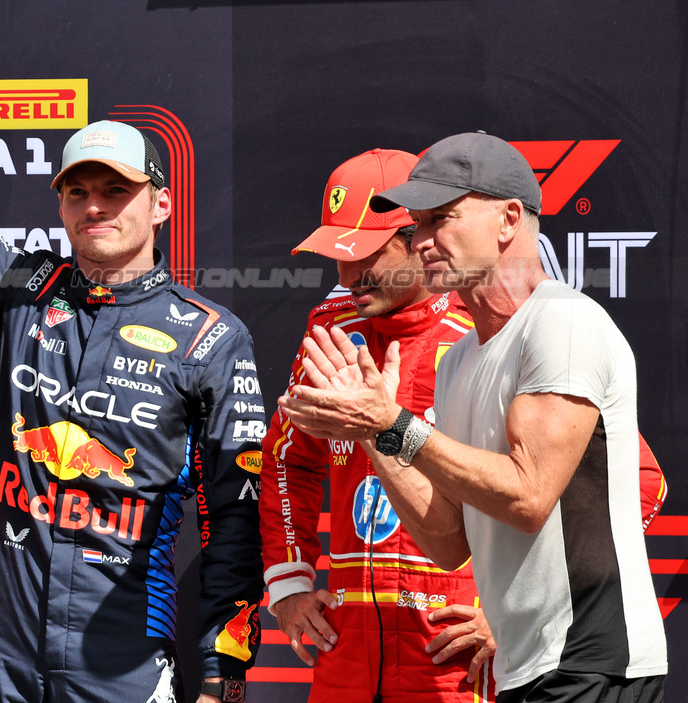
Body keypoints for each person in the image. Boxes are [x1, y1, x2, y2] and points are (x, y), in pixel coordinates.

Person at [0, 0, 263, 703]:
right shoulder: (17, 291)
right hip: (2, 648)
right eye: (78, 192)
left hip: (121, 655)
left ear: (161, 206)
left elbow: (234, 522)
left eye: (116, 190)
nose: (95, 206)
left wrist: (221, 672)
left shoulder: (211, 338)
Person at [262, 148, 667, 703]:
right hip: (351, 647)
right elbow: (290, 458)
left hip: (459, 654)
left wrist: (503, 612)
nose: (348, 276)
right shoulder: (336, 333)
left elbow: (637, 482)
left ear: (413, 237)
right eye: (337, 255)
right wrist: (289, 580)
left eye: (366, 255)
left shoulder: (501, 330)